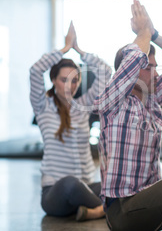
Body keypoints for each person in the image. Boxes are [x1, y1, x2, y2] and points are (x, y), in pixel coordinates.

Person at [93, 0, 162, 231]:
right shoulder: (113, 101)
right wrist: (143, 32)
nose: (156, 72)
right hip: (122, 210)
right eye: (149, 66)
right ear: (131, 72)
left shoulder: (152, 99)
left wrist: (154, 33)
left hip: (148, 200)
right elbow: (131, 58)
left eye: (155, 67)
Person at [30, 22, 112, 221]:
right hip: (55, 194)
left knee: (112, 185)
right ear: (53, 80)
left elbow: (105, 72)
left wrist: (80, 51)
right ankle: (106, 210)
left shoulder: (83, 105)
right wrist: (65, 49)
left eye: (74, 80)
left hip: (85, 187)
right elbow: (34, 71)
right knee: (70, 184)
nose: (70, 85)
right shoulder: (43, 105)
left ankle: (95, 210)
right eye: (63, 79)